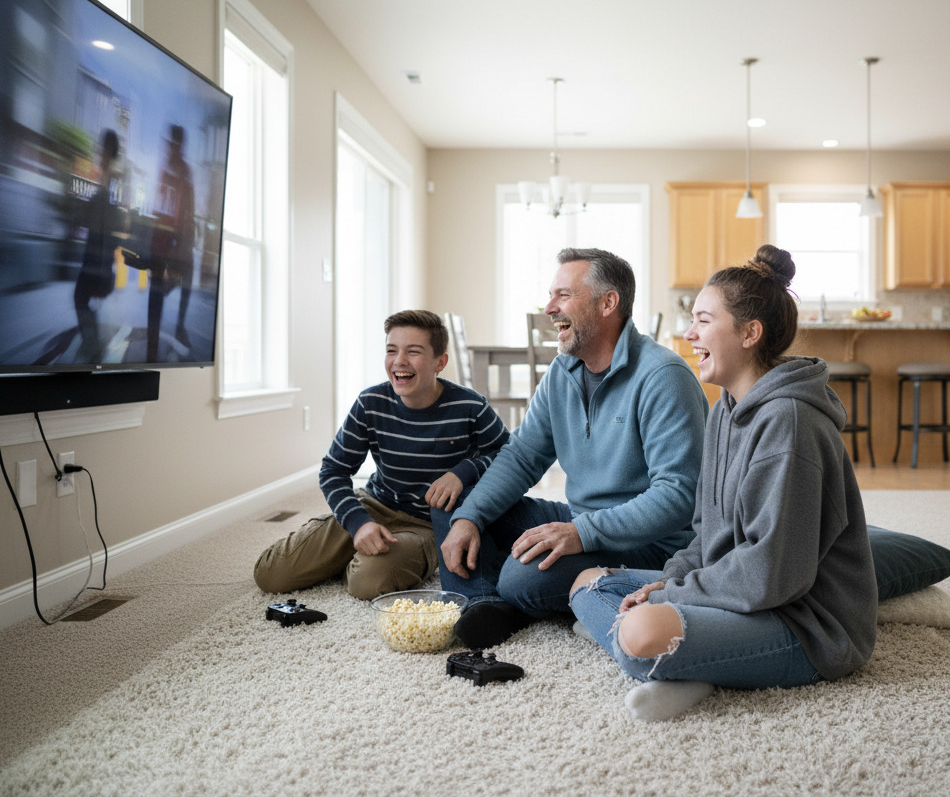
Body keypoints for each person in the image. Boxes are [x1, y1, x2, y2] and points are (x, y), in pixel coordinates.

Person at [568, 245, 878, 722]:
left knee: (640, 630)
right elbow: (705, 534)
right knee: (587, 584)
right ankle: (687, 664)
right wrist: (672, 579)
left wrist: (671, 596)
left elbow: (772, 575)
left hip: (804, 623)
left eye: (704, 321)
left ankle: (672, 661)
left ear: (750, 333)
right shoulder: (725, 409)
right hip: (740, 595)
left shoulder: (789, 424)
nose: (689, 333)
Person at [437, 248, 709, 648]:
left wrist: (582, 532)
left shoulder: (663, 376)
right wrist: (471, 517)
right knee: (455, 501)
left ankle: (511, 597)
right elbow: (522, 456)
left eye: (563, 295)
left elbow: (680, 496)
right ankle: (483, 603)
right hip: (582, 521)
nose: (549, 308)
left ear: (607, 303)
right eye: (551, 295)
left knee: (522, 577)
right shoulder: (561, 373)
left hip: (651, 543)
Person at [254, 310, 510, 600]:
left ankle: (365, 556)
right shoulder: (370, 403)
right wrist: (358, 523)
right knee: (269, 573)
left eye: (413, 351)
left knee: (366, 583)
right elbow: (333, 470)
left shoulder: (470, 406)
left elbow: (507, 453)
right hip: (375, 505)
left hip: (428, 524)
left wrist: (462, 472)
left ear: (440, 361)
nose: (399, 361)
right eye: (391, 350)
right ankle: (359, 542)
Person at [72, 129, 125, 362]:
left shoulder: (111, 177)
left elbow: (106, 218)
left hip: (98, 257)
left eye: (100, 147)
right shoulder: (109, 175)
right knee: (80, 298)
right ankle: (92, 343)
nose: (97, 152)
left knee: (79, 297)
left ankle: (92, 344)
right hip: (98, 255)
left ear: (107, 150)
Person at [146, 124, 195, 360]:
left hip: (177, 241)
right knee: (159, 290)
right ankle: (152, 350)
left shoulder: (183, 171)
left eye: (174, 144)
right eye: (170, 144)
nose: (171, 148)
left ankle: (179, 325)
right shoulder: (169, 169)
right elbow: (159, 204)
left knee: (186, 276)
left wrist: (188, 237)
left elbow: (189, 208)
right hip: (163, 240)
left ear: (180, 146)